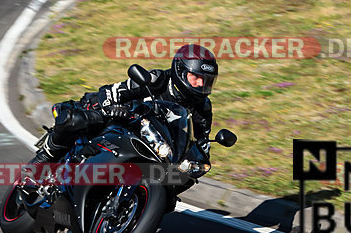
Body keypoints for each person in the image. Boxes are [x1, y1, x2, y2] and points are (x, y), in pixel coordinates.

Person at [25, 43, 218, 173]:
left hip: (153, 146)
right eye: (197, 77)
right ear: (181, 71)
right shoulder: (157, 79)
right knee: (76, 119)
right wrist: (112, 107)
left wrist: (198, 163)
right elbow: (113, 92)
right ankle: (44, 158)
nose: (201, 84)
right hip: (119, 120)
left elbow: (202, 144)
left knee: (171, 194)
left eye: (207, 81)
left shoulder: (203, 109)